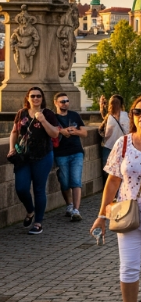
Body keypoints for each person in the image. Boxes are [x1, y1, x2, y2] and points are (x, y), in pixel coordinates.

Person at [90, 96, 141, 302]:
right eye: (137, 112)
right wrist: (101, 216)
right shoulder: (123, 143)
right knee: (128, 268)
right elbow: (112, 182)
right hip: (126, 213)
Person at [7, 87, 59, 235]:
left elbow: (55, 133)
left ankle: (38, 223)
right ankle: (30, 210)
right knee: (21, 188)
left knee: (39, 189)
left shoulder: (48, 114)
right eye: (33, 96)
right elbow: (14, 132)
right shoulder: (21, 113)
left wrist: (43, 120)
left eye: (38, 96)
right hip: (23, 157)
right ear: (28, 98)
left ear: (42, 98)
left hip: (43, 156)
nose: (36, 98)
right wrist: (11, 148)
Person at [52, 92, 87, 221]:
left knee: (76, 181)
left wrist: (75, 131)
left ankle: (76, 210)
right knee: (65, 182)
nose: (65, 103)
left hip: (76, 152)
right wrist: (61, 131)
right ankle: (69, 205)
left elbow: (85, 133)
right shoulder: (53, 118)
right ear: (56, 103)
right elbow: (48, 131)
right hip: (60, 153)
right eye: (62, 101)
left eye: (67, 101)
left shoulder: (74, 115)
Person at [101, 95, 130, 183]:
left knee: (108, 170)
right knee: (122, 170)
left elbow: (107, 134)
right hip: (124, 146)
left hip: (109, 146)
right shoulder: (126, 116)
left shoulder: (109, 117)